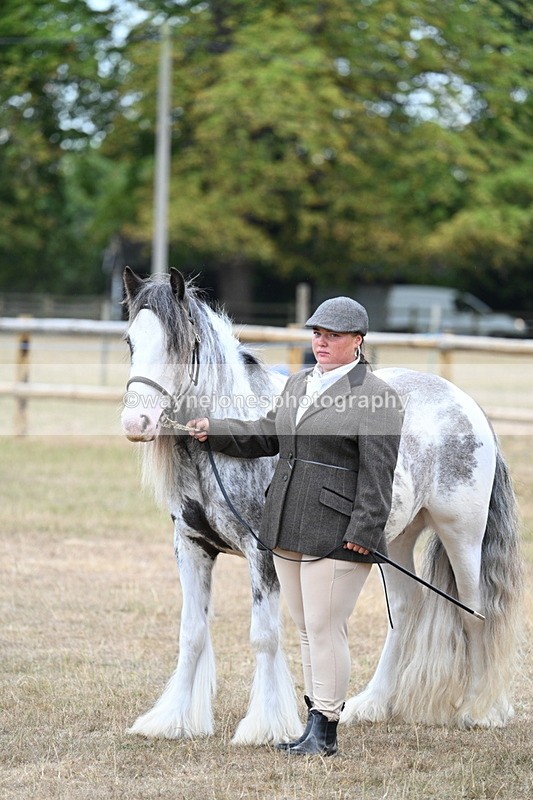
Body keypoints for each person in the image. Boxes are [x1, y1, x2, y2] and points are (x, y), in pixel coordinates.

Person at [187, 296, 404, 757]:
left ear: (358, 342)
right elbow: (268, 434)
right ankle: (312, 725)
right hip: (286, 523)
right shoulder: (300, 383)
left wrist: (363, 534)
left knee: (327, 629)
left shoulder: (377, 396)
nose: (322, 343)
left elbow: (378, 475)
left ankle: (325, 733)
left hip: (340, 530)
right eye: (317, 334)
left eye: (334, 336)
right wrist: (215, 428)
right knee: (306, 628)